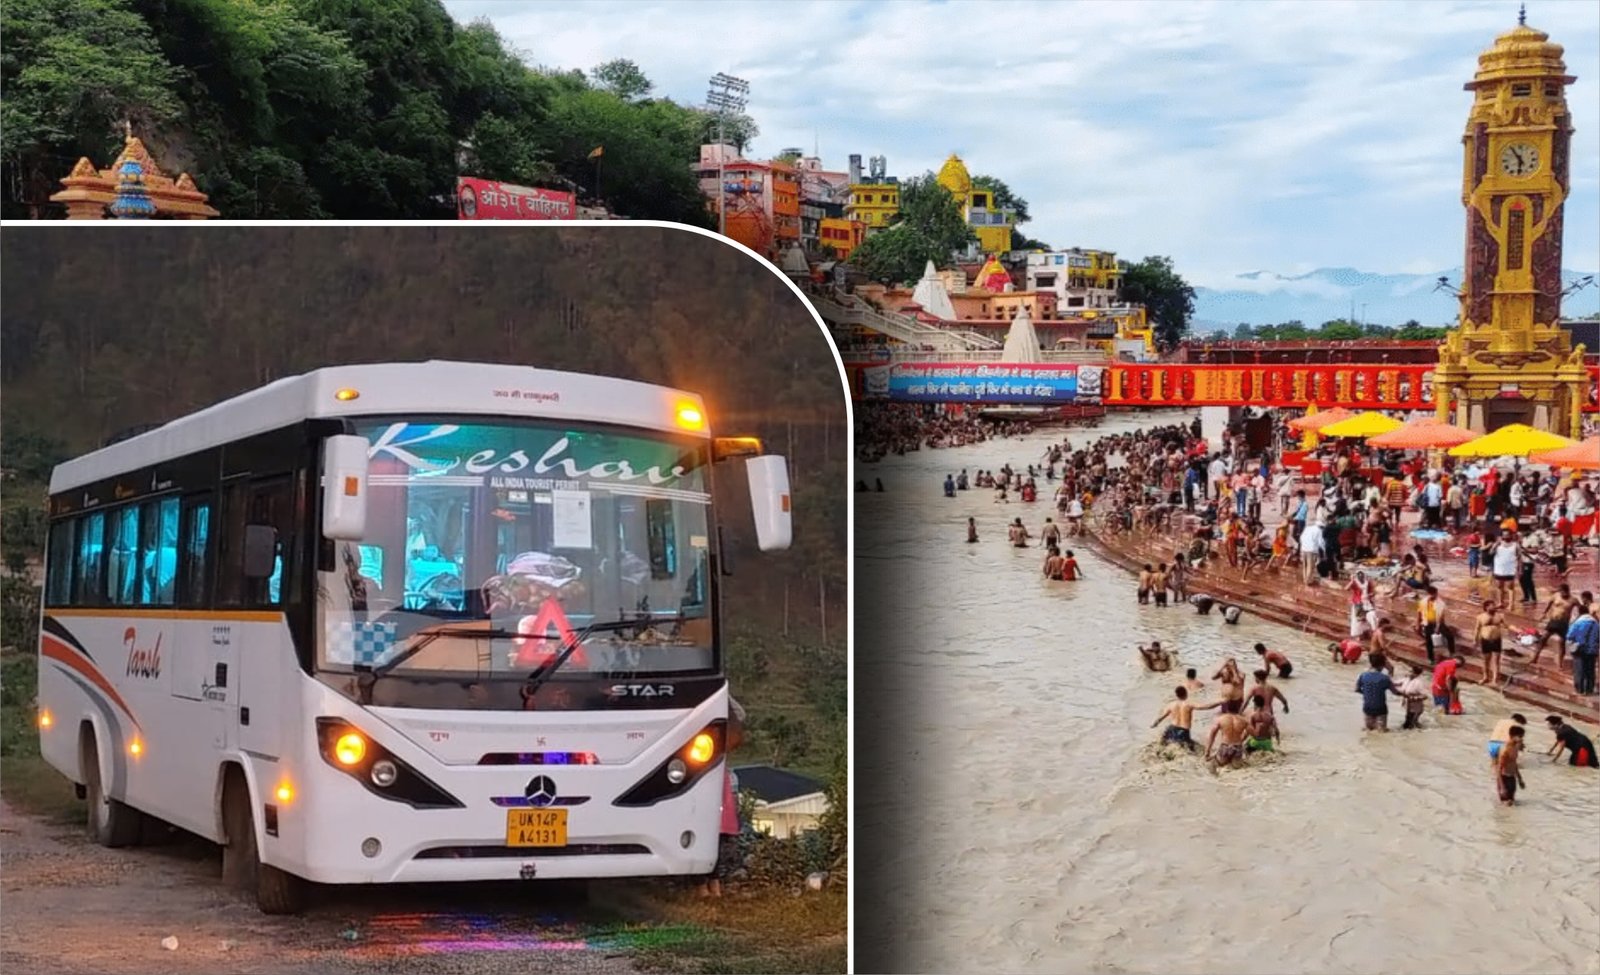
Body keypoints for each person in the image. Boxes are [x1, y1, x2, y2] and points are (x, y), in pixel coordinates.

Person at [701, 696, 747, 897]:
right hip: (709, 775)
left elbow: (740, 715)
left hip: (709, 775)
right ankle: (708, 884)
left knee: (711, 833)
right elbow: (741, 714)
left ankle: (709, 884)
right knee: (712, 833)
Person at [1532, 584, 1576, 668]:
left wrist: (1577, 620)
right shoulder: (1556, 596)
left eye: (1563, 592)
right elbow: (1549, 604)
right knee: (1543, 638)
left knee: (1562, 643)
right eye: (1561, 592)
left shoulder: (1573, 600)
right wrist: (1543, 614)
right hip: (1554, 621)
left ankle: (1560, 664)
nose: (1562, 594)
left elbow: (1581, 608)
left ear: (1567, 591)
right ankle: (1535, 658)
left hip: (1563, 623)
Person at [1356, 652, 1402, 731]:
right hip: (1380, 708)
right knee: (1381, 731)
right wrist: (1406, 694)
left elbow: (1357, 689)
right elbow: (1395, 692)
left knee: (1368, 729)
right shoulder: (1385, 678)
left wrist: (1368, 693)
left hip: (1367, 707)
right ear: (1383, 664)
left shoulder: (1363, 675)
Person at [1151, 685, 1197, 751]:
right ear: (1186, 694)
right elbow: (1206, 706)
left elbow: (1161, 718)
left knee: (1163, 746)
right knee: (1189, 750)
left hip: (1171, 728)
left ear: (1176, 695)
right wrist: (1217, 702)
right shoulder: (1189, 705)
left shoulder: (1171, 705)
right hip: (1183, 731)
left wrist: (1154, 724)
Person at [1567, 597, 1598, 695]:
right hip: (1592, 650)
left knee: (1579, 670)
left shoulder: (1577, 623)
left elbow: (1569, 635)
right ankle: (1589, 689)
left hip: (1579, 650)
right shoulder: (1596, 624)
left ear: (1579, 613)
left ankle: (1580, 690)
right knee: (1590, 670)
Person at [1473, 601, 1506, 687]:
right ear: (1486, 607)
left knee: (1496, 661)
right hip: (1485, 640)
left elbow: (1506, 625)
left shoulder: (1500, 616)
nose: (1494, 607)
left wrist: (1516, 630)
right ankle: (1485, 677)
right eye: (1492, 606)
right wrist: (1475, 640)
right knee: (1485, 660)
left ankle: (1495, 679)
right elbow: (1477, 629)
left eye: (1494, 605)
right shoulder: (1480, 617)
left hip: (1496, 640)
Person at [1495, 726, 1527, 805]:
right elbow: (1498, 769)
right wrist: (1502, 787)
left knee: (1512, 803)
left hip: (1512, 777)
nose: (1521, 739)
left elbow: (1514, 763)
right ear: (1512, 736)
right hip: (1504, 778)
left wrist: (1520, 779)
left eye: (1522, 737)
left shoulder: (1515, 748)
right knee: (1506, 804)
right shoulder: (1505, 750)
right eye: (1520, 736)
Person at [1399, 665, 1430, 729]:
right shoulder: (1406, 680)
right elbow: (1395, 683)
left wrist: (1414, 698)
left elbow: (1425, 695)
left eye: (1410, 671)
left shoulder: (1419, 683)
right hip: (1408, 706)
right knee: (1408, 724)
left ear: (1415, 673)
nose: (1408, 672)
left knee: (1411, 725)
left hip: (1416, 708)